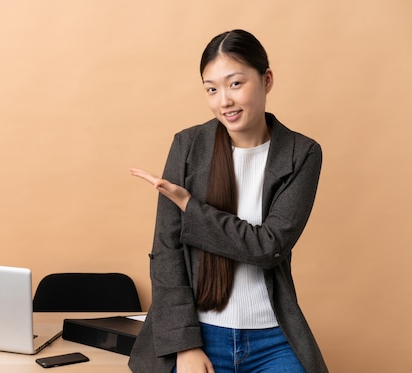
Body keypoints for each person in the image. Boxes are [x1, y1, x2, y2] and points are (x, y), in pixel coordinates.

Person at [127, 30, 328, 373]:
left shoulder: (302, 154)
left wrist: (190, 206)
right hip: (198, 334)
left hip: (273, 339)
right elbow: (166, 252)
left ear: (266, 80)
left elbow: (269, 247)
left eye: (235, 84)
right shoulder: (188, 146)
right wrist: (185, 346)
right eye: (211, 89)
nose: (224, 101)